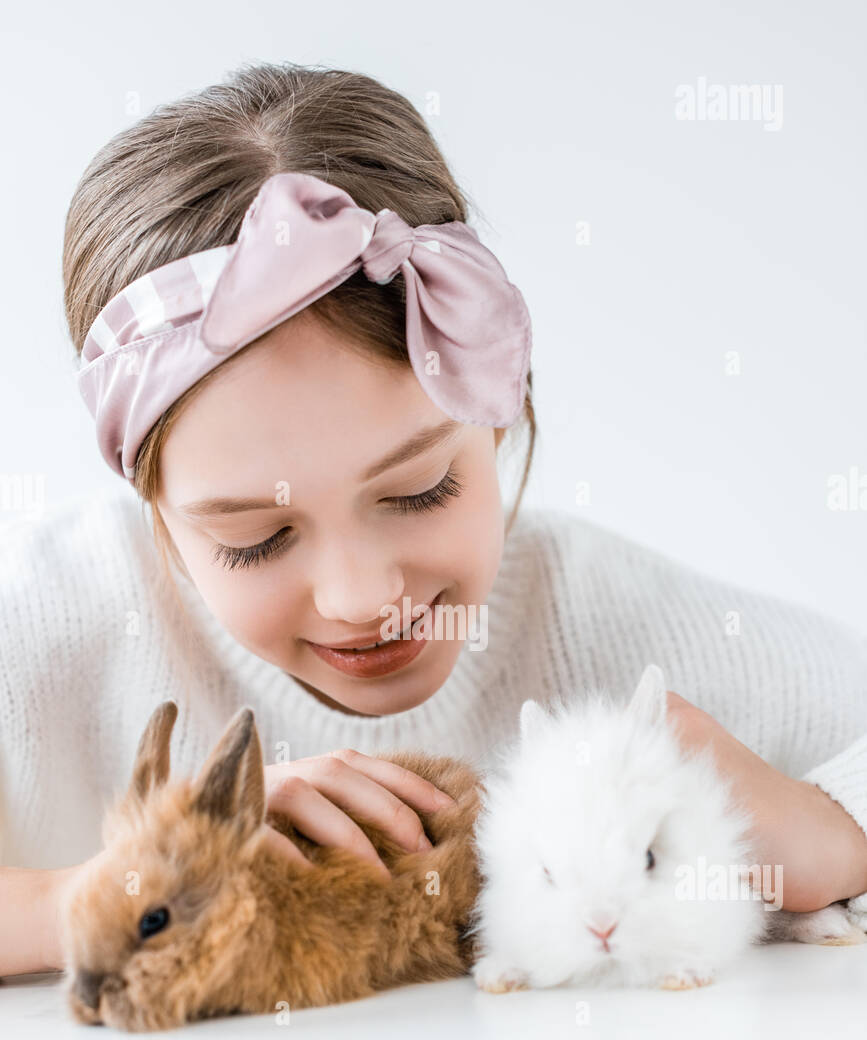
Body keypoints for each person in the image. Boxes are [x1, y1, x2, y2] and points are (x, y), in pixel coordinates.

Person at [2, 61, 866, 978]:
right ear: (158, 514)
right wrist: (119, 891)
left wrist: (832, 825)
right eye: (254, 539)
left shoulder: (607, 627)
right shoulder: (51, 623)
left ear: (498, 416)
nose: (360, 597)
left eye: (418, 492)